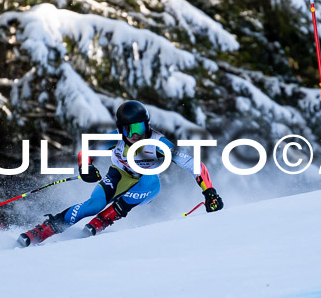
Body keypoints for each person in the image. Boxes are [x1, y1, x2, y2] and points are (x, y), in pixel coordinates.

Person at [18, 100, 224, 246]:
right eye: (129, 129)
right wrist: (86, 167)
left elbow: (193, 164)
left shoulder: (158, 142)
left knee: (151, 178)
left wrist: (209, 192)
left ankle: (105, 219)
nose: (135, 135)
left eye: (140, 127)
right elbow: (86, 151)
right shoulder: (115, 137)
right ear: (121, 129)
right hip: (120, 175)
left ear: (147, 125)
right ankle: (45, 229)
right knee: (94, 204)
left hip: (147, 184)